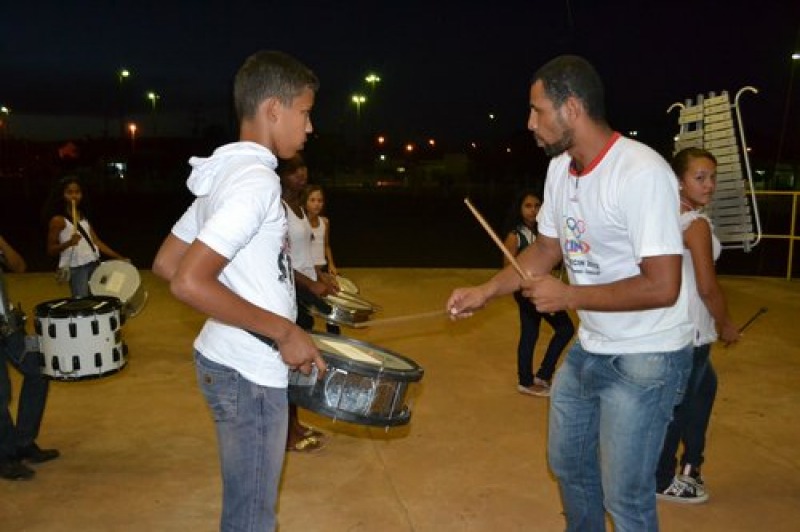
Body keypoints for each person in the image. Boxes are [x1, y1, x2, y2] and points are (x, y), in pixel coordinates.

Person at [446, 55, 694, 531]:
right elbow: (545, 250)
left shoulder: (640, 172)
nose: (530, 123)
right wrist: (486, 290)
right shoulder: (560, 170)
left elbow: (664, 285)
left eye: (538, 110)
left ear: (572, 108)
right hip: (593, 345)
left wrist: (570, 297)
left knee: (625, 497)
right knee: (570, 465)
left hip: (649, 355)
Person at [151, 50, 326, 531]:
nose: (310, 127)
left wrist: (243, 299)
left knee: (247, 510)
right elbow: (187, 279)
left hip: (227, 358)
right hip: (250, 373)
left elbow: (166, 260)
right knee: (251, 519)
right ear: (273, 109)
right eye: (305, 112)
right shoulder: (256, 183)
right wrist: (283, 332)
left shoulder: (226, 173)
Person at [655, 147, 741, 503]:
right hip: (692, 330)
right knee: (679, 406)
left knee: (703, 390)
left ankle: (691, 466)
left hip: (672, 326)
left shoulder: (661, 217)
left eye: (712, 177)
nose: (709, 185)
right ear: (679, 181)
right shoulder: (696, 224)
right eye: (700, 177)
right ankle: (661, 479)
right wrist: (726, 323)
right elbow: (707, 287)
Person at [278, 155, 337, 453]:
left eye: (303, 168)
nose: (301, 174)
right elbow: (280, 259)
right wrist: (310, 284)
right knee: (289, 364)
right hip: (289, 291)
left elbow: (304, 254)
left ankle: (296, 424)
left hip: (302, 291)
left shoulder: (300, 208)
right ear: (280, 175)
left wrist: (321, 276)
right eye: (293, 170)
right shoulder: (278, 208)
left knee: (301, 362)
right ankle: (286, 433)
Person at [502, 190, 574, 397]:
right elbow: (507, 268)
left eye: (537, 205)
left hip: (541, 288)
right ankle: (535, 378)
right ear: (519, 209)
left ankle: (534, 378)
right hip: (526, 291)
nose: (533, 210)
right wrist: (525, 283)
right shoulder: (515, 235)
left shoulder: (545, 232)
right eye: (528, 206)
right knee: (563, 329)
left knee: (532, 333)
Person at [1, 234, 60, 481]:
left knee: (38, 370)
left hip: (8, 325)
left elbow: (19, 266)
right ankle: (5, 456)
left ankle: (24, 442)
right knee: (1, 393)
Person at [43, 176, 127, 297]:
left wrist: (118, 257)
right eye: (69, 192)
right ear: (62, 195)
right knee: (82, 302)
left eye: (77, 192)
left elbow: (96, 242)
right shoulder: (58, 220)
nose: (74, 196)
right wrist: (69, 243)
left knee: (99, 298)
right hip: (77, 267)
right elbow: (50, 250)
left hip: (93, 262)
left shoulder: (82, 215)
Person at [304, 183, 342, 334]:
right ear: (305, 202)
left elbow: (326, 246)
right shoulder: (302, 224)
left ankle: (334, 338)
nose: (316, 204)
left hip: (323, 270)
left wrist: (331, 264)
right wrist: (318, 275)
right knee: (308, 311)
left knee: (331, 311)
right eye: (312, 200)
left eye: (320, 200)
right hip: (308, 272)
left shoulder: (325, 222)